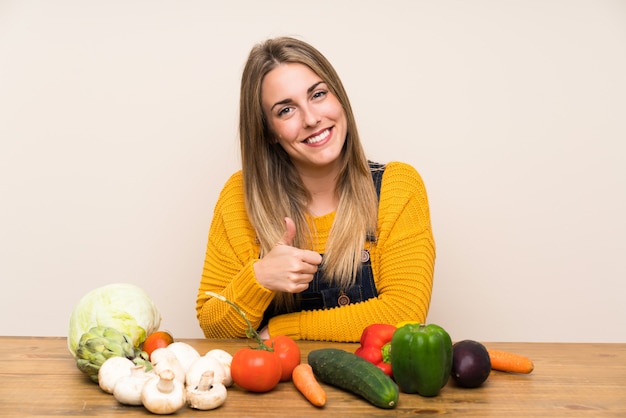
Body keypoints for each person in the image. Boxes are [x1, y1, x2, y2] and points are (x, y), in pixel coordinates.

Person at [196, 36, 435, 342]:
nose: (311, 119)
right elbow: (214, 329)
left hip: (373, 387)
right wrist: (260, 278)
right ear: (268, 132)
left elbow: (404, 315)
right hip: (278, 387)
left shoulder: (397, 187)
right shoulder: (239, 197)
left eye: (318, 94)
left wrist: (284, 330)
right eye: (286, 110)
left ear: (339, 97)